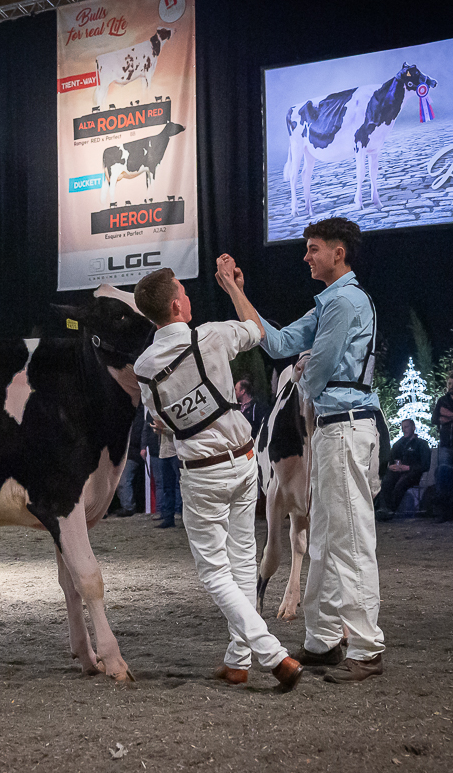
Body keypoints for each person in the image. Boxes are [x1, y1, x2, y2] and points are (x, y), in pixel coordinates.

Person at [216, 215, 384, 684]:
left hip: (344, 427)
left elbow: (317, 370)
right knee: (327, 537)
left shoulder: (344, 302)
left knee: (349, 538)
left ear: (338, 253)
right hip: (333, 428)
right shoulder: (333, 302)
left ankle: (367, 648)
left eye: (313, 248)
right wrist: (236, 291)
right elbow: (278, 344)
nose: (306, 256)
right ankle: (323, 640)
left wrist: (302, 372)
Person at [133, 266, 301, 690]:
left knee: (214, 573)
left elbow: (161, 421)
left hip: (202, 473)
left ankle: (271, 654)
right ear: (176, 305)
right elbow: (256, 329)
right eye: (184, 293)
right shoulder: (210, 336)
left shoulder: (144, 366)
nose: (189, 298)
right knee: (241, 561)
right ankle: (238, 660)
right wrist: (234, 288)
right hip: (243, 460)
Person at [375, 418, 430, 521]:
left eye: (406, 427)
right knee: (387, 481)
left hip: (413, 473)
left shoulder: (421, 444)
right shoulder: (398, 444)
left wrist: (408, 467)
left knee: (401, 483)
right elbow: (391, 460)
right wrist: (391, 466)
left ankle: (390, 509)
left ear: (413, 428)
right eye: (403, 427)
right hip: (397, 472)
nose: (404, 430)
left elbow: (425, 465)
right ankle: (383, 508)